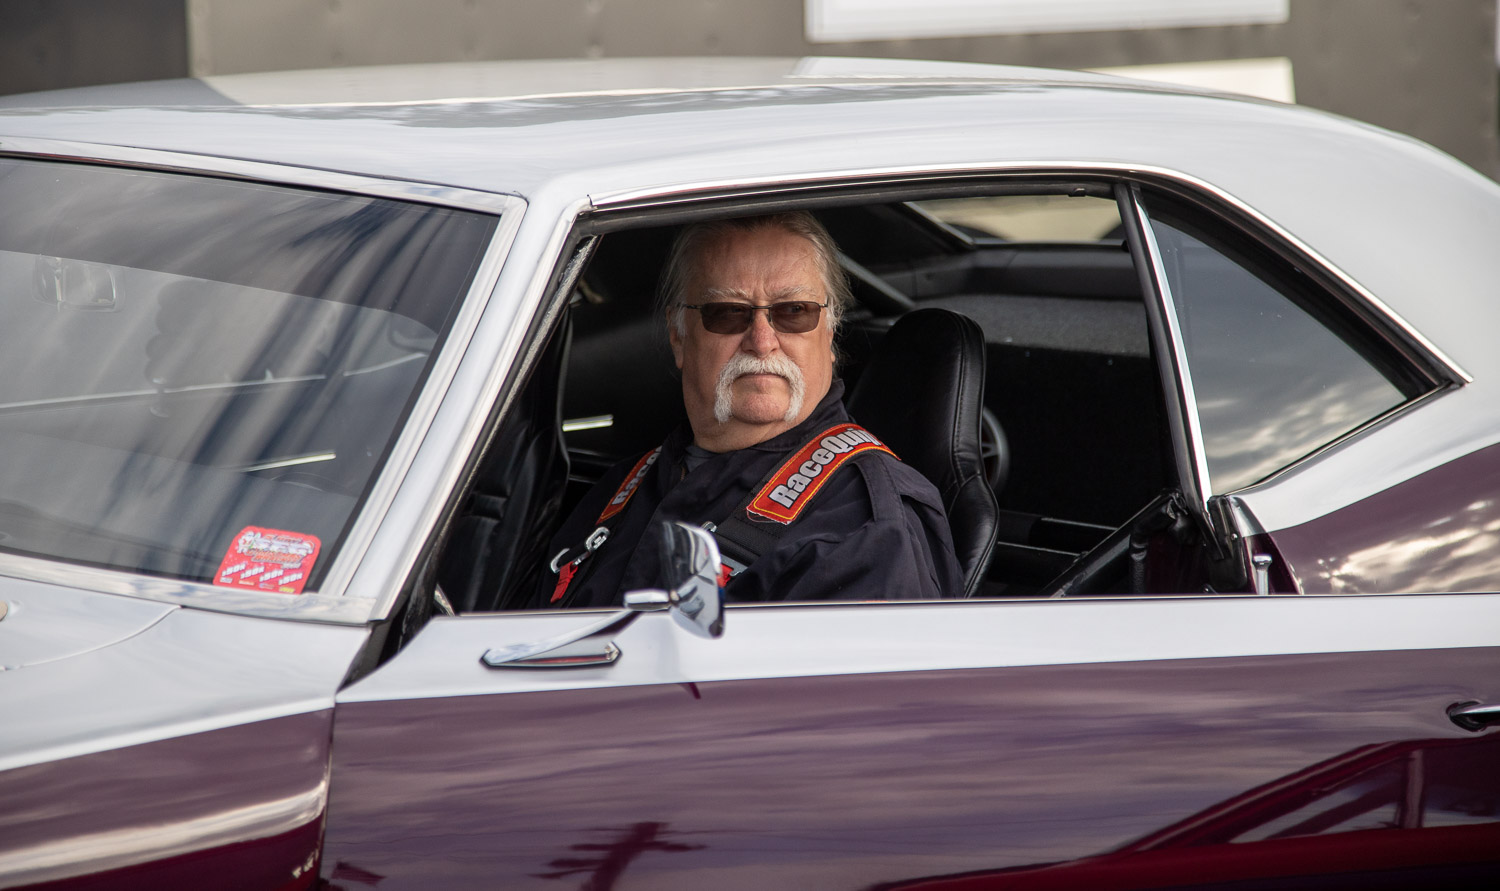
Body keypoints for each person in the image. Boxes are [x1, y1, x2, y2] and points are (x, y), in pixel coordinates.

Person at [534, 212, 962, 608]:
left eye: (793, 311)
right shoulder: (624, 487)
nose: (761, 341)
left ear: (830, 333)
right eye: (728, 313)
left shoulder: (865, 527)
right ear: (678, 336)